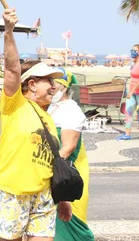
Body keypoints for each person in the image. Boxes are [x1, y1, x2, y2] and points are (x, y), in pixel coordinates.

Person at [0, 8, 72, 241]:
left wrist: (62, 199)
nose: (54, 86)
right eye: (49, 81)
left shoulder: (48, 119)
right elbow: (12, 69)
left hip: (43, 196)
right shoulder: (15, 106)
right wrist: (8, 31)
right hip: (13, 192)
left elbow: (53, 162)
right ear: (31, 84)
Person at [48, 69, 94, 241]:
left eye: (54, 83)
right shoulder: (50, 107)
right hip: (54, 172)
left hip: (65, 175)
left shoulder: (71, 110)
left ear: (64, 86)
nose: (51, 87)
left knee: (70, 225)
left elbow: (68, 148)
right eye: (49, 82)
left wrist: (49, 172)